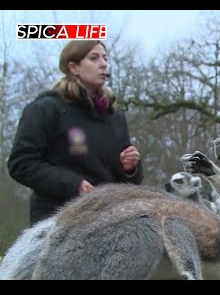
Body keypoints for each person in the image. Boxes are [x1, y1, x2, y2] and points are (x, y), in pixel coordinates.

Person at [8, 40, 144, 226]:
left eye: (105, 58)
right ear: (73, 67)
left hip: (108, 222)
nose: (103, 63)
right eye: (94, 58)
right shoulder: (45, 109)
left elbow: (127, 181)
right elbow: (21, 163)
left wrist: (130, 169)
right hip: (57, 222)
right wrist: (74, 185)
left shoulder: (114, 116)